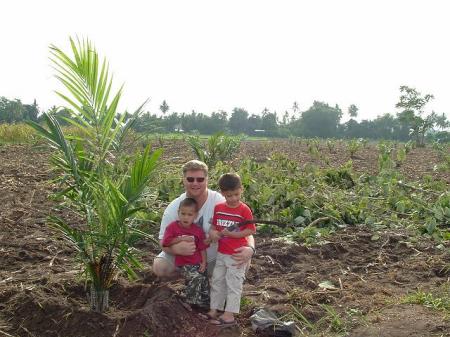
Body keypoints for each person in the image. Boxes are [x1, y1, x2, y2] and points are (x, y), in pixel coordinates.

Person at [152, 160, 255, 280]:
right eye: (190, 179)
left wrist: (250, 248)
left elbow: (245, 229)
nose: (195, 183)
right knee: (160, 267)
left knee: (242, 259)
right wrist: (174, 249)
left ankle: (214, 281)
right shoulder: (174, 207)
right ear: (183, 180)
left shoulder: (221, 202)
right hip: (184, 258)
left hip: (215, 257)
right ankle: (192, 279)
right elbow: (162, 241)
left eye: (200, 179)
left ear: (207, 180)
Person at [206, 173, 256, 327]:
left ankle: (229, 314)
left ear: (241, 189)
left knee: (233, 283)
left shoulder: (244, 210)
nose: (233, 198)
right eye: (229, 195)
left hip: (236, 254)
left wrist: (233, 234)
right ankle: (215, 309)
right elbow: (214, 227)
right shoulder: (219, 208)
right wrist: (213, 233)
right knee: (217, 281)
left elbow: (250, 230)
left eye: (236, 194)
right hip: (221, 253)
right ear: (222, 193)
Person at [161, 198, 209, 307]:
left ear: (195, 216)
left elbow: (202, 248)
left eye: (189, 214)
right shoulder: (173, 227)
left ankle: (204, 304)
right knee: (196, 277)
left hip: (198, 262)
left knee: (204, 280)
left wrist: (204, 263)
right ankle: (191, 303)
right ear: (178, 213)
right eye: (183, 214)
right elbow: (166, 242)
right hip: (184, 264)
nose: (185, 217)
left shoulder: (198, 230)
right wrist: (180, 239)